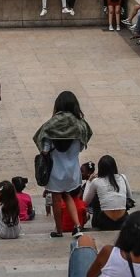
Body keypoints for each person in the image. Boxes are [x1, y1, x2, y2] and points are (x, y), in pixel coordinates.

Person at [33, 91, 93, 238]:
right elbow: (81, 145)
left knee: (56, 198)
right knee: (69, 197)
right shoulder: (80, 125)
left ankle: (59, 230)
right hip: (72, 170)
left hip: (55, 171)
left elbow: (44, 149)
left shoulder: (50, 126)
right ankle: (77, 226)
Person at [83, 155, 132, 231]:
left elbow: (85, 202)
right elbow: (130, 198)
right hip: (123, 220)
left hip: (104, 221)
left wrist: (89, 182)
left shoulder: (96, 181)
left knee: (96, 199)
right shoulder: (123, 177)